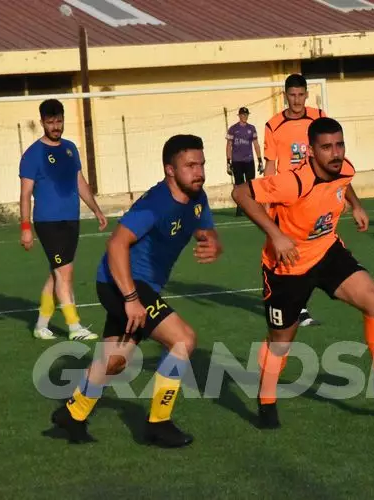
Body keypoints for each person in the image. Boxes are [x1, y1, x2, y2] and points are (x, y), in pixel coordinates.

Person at [232, 117, 374, 429]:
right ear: (310, 151)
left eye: (339, 145)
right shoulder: (293, 182)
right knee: (281, 341)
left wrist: (356, 205)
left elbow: (343, 182)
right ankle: (266, 401)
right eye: (327, 147)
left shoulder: (344, 167)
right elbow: (241, 193)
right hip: (288, 266)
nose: (335, 153)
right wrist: (275, 235)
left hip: (327, 252)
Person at [50, 134, 223, 447]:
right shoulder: (156, 204)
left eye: (201, 164)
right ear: (170, 170)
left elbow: (205, 230)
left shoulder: (197, 198)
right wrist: (131, 299)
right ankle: (159, 423)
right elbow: (116, 244)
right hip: (122, 283)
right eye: (190, 166)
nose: (199, 172)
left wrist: (213, 243)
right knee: (183, 339)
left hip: (140, 286)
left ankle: (73, 414)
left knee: (115, 360)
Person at [19, 99, 106, 341]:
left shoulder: (70, 149)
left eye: (59, 121)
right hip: (49, 223)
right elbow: (25, 194)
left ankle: (41, 326)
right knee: (65, 273)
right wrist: (25, 227)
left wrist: (96, 209)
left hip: (71, 220)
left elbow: (80, 181)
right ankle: (74, 327)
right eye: (50, 122)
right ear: (42, 123)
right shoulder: (33, 155)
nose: (56, 126)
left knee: (58, 273)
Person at [263, 73, 325, 327]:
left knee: (317, 249)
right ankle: (296, 307)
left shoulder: (318, 118)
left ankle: (294, 303)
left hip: (314, 195)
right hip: (287, 197)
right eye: (292, 95)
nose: (297, 100)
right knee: (290, 252)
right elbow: (270, 165)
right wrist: (267, 198)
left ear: (307, 94)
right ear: (285, 96)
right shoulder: (273, 125)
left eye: (301, 95)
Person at [226, 106, 263, 216]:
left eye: (246, 115)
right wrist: (228, 161)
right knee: (239, 185)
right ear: (239, 116)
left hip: (249, 160)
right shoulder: (233, 129)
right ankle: (240, 207)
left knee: (251, 185)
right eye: (242, 114)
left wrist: (260, 160)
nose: (244, 116)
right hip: (237, 161)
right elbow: (228, 145)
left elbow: (256, 145)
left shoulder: (252, 128)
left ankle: (251, 207)